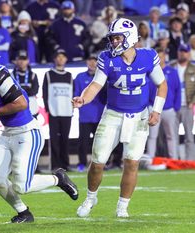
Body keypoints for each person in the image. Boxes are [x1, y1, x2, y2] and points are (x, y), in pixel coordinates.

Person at [0, 39, 78, 222]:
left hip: (27, 132)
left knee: (22, 185)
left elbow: (21, 104)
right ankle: (23, 212)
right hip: (8, 133)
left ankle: (58, 178)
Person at [73, 18, 168, 218]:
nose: (114, 42)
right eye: (113, 38)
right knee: (98, 162)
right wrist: (84, 99)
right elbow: (96, 85)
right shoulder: (107, 58)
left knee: (132, 162)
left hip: (139, 117)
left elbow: (162, 85)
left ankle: (123, 206)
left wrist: (156, 110)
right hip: (113, 115)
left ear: (130, 38)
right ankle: (91, 197)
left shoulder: (148, 56)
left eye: (118, 38)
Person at [147, 48, 181, 160]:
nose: (160, 58)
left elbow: (177, 90)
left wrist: (176, 107)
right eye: (158, 56)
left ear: (165, 57)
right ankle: (150, 160)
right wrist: (149, 105)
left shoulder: (172, 72)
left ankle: (174, 159)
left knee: (171, 136)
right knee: (152, 136)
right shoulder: (150, 72)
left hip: (169, 108)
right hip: (154, 108)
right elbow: (146, 90)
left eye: (161, 56)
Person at [42, 49, 73, 171]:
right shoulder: (49, 74)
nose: (60, 59)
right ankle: (55, 165)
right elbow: (45, 92)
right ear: (54, 59)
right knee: (54, 139)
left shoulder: (69, 76)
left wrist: (72, 109)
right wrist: (48, 108)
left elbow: (72, 93)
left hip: (67, 112)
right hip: (54, 112)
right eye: (58, 57)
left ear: (66, 59)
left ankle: (66, 164)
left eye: (63, 57)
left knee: (65, 139)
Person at [73, 56, 106, 172]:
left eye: (94, 61)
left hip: (100, 115)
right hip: (85, 116)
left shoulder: (103, 77)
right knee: (83, 142)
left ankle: (101, 163)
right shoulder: (80, 77)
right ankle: (82, 163)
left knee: (100, 142)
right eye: (90, 60)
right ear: (86, 62)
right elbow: (76, 94)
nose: (92, 63)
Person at [170, 43, 195, 161]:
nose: (183, 53)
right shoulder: (171, 66)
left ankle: (190, 161)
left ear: (189, 53)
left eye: (185, 51)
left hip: (188, 105)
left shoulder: (193, 68)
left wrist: (193, 102)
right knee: (173, 135)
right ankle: (175, 160)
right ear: (178, 52)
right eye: (181, 51)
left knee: (189, 136)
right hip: (173, 106)